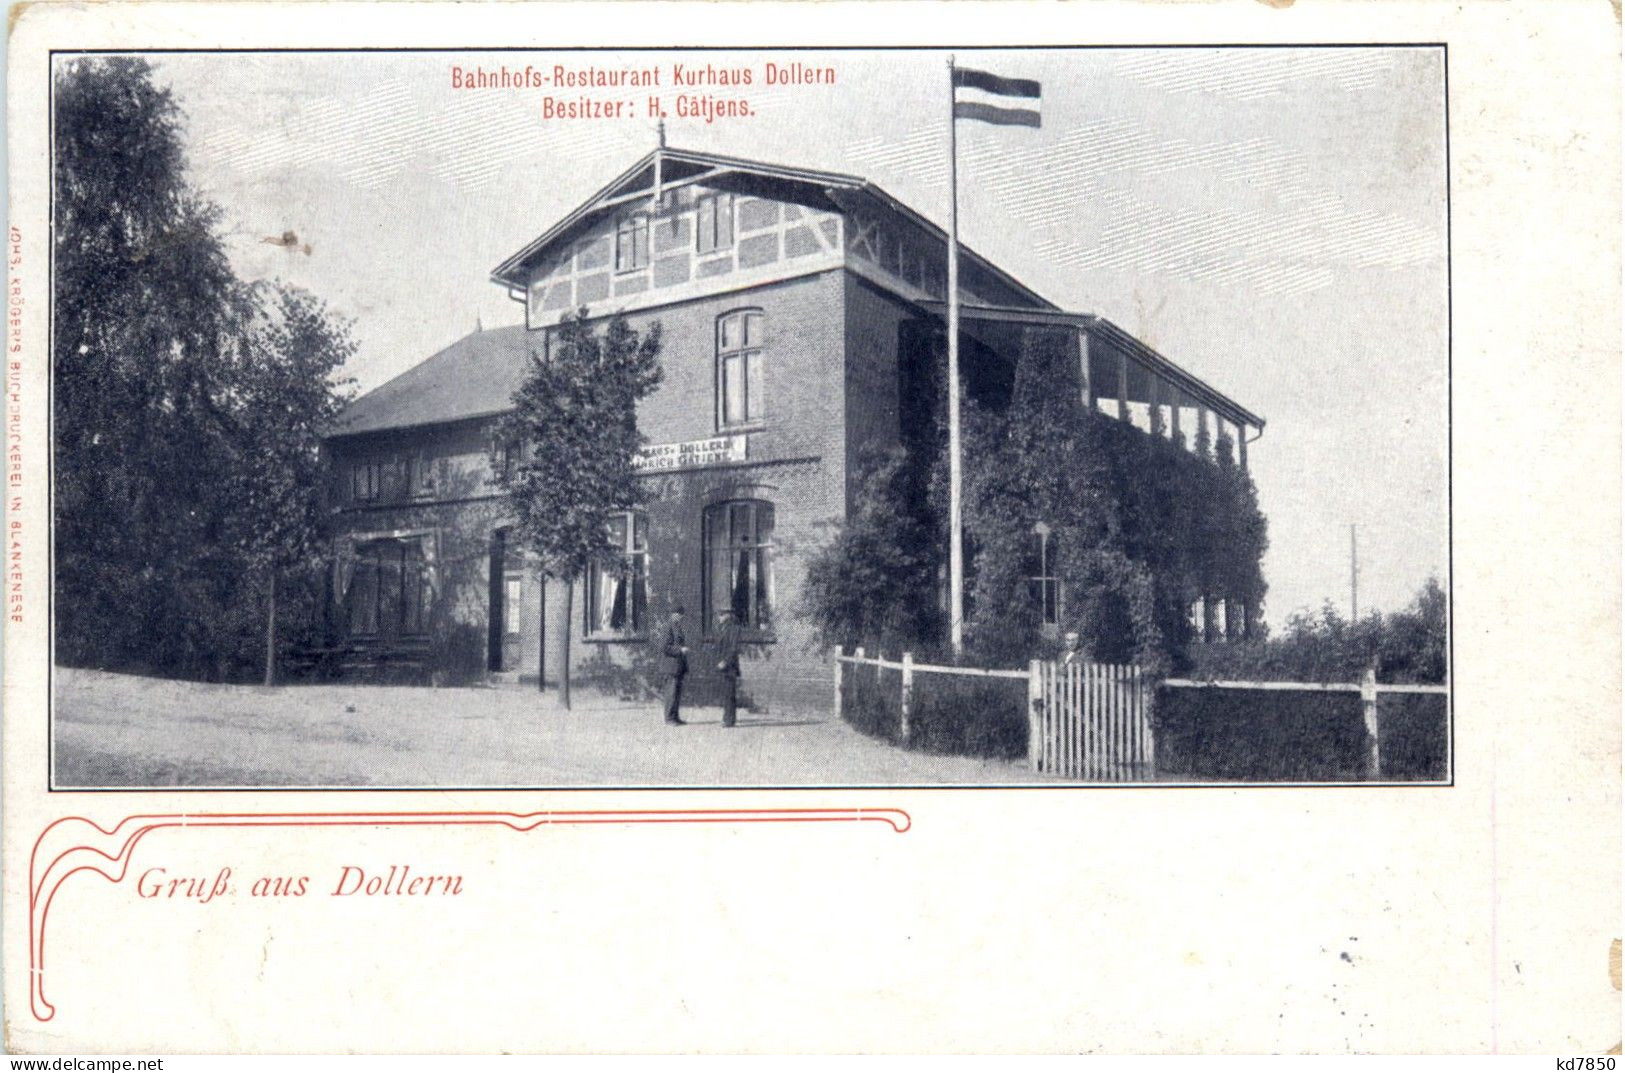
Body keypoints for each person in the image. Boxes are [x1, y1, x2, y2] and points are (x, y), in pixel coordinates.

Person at [660, 605, 689, 726]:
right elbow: (664, 647)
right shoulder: (668, 627)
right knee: (670, 693)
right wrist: (680, 650)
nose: (681, 618)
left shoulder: (676, 626)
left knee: (676, 693)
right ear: (674, 614)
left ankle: (675, 717)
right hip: (670, 667)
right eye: (680, 615)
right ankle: (669, 718)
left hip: (678, 666)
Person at [714, 608, 742, 728]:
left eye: (721, 615)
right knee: (726, 693)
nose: (719, 617)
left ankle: (729, 720)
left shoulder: (734, 629)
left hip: (730, 666)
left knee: (730, 693)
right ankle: (727, 718)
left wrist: (725, 661)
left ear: (728, 616)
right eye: (719, 615)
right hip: (722, 665)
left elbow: (734, 649)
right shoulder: (721, 628)